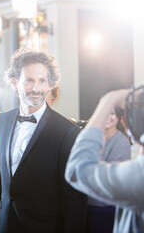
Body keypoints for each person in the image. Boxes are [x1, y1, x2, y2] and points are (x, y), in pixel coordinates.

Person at [0, 48, 87, 233]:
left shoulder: (67, 131)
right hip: (4, 226)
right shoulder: (2, 121)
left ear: (49, 84)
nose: (36, 88)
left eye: (42, 81)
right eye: (29, 80)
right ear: (15, 83)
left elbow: (74, 199)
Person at [65, 88, 144, 233]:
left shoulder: (139, 175)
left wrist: (109, 100)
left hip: (103, 208)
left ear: (123, 119)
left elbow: (78, 170)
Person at [85, 107, 131, 233]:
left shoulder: (121, 142)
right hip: (84, 204)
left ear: (119, 117)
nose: (107, 117)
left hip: (103, 208)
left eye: (112, 113)